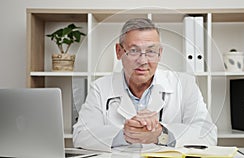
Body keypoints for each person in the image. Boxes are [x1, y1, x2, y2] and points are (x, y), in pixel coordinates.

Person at [73, 18, 217, 152]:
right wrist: (125, 135)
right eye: (134, 51)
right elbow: (81, 135)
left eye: (151, 51)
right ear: (119, 51)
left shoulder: (185, 84)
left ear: (160, 54)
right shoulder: (100, 88)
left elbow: (208, 133)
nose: (143, 61)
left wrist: (161, 134)